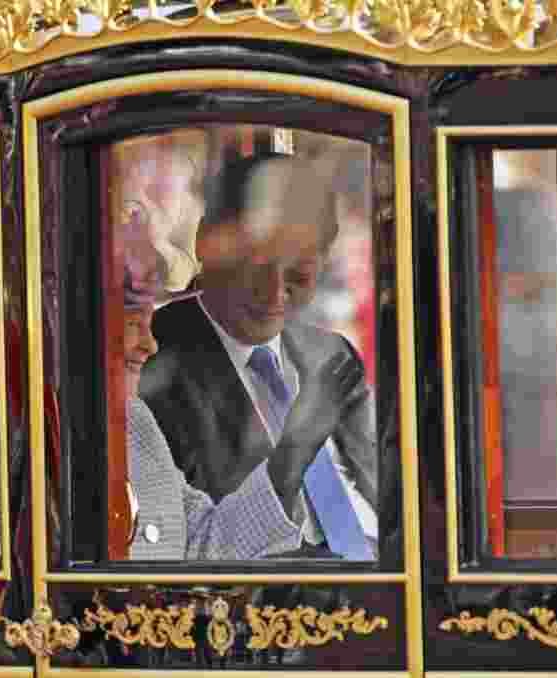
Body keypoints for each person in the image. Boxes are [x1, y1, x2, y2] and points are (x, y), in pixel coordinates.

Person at [0, 217, 364, 559]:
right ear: (69, 320)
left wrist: (294, 451)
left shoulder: (134, 421)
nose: (149, 344)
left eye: (148, 322)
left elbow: (204, 548)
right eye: (132, 322)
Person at [140, 151, 380, 560]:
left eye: (299, 274)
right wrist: (297, 445)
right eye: (255, 266)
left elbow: (389, 491)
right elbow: (193, 548)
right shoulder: (150, 360)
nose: (273, 293)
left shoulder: (330, 353)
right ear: (205, 242)